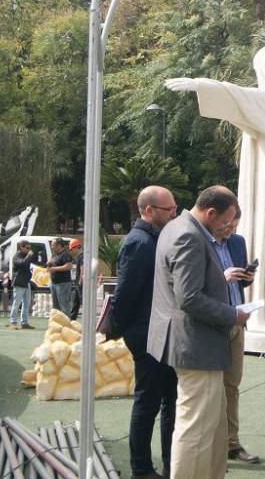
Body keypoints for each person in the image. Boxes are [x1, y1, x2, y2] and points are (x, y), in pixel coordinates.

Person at [147, 185, 251, 479]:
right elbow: (189, 297)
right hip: (195, 346)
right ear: (211, 212)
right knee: (195, 429)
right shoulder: (188, 235)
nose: (228, 228)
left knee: (213, 426)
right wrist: (233, 314)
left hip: (199, 345)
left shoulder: (178, 228)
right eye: (227, 221)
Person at [111, 186, 179, 479]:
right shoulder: (139, 242)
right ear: (149, 211)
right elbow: (125, 294)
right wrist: (127, 330)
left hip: (161, 332)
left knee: (168, 402)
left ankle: (170, 463)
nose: (175, 214)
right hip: (147, 334)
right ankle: (141, 468)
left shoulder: (154, 239)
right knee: (148, 403)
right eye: (169, 210)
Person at [213, 206, 261, 465]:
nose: (230, 230)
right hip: (213, 325)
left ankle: (232, 443)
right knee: (211, 388)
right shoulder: (201, 242)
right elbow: (197, 286)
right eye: (227, 225)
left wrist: (247, 276)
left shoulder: (237, 242)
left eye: (234, 225)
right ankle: (214, 447)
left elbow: (241, 283)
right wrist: (223, 277)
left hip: (237, 320)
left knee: (232, 386)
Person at [7, 240, 35, 330]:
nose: (29, 250)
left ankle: (24, 322)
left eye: (30, 248)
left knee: (27, 303)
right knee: (17, 303)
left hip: (26, 282)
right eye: (27, 248)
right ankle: (13, 322)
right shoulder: (16, 256)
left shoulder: (26, 256)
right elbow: (22, 263)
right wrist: (29, 256)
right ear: (21, 247)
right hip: (19, 282)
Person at [45, 237, 75, 317]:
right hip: (54, 283)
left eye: (53, 245)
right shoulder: (55, 255)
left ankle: (67, 325)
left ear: (59, 245)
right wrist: (49, 263)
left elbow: (69, 266)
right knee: (56, 307)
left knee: (64, 306)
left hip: (63, 284)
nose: (52, 247)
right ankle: (58, 325)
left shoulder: (65, 254)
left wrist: (54, 268)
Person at [68, 238, 83, 320]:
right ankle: (71, 321)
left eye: (71, 249)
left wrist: (80, 283)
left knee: (80, 303)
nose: (71, 251)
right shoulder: (80, 257)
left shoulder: (82, 257)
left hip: (80, 285)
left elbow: (82, 270)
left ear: (77, 247)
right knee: (75, 304)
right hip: (78, 284)